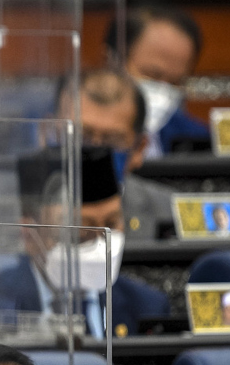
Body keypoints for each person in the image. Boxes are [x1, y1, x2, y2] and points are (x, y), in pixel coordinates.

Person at [1, 146, 170, 338]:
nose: (99, 243)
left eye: (111, 225)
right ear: (29, 233)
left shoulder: (146, 307)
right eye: (79, 234)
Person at [57, 67, 175, 244]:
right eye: (82, 136)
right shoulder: (17, 213)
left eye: (112, 140)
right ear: (51, 135)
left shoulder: (170, 213)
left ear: (139, 149)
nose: (96, 152)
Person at [105, 6, 208, 157]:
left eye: (175, 82)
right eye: (152, 74)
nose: (163, 90)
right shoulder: (78, 131)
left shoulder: (197, 140)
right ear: (112, 61)